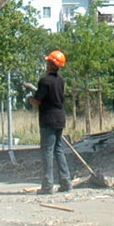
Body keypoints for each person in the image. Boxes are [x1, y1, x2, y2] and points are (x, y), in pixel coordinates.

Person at [27, 50, 71, 194]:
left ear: (52, 65)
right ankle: (66, 183)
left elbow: (37, 101)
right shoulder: (61, 81)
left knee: (47, 151)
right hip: (60, 118)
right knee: (58, 149)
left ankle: (47, 186)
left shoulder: (44, 81)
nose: (46, 64)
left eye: (48, 62)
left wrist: (28, 99)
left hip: (48, 119)